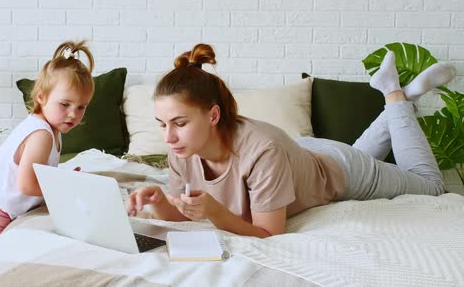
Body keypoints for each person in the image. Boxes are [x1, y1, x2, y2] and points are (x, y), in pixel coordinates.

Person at [125, 44, 457, 239]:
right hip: (299, 157)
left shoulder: (261, 150)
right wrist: (158, 201)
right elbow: (183, 213)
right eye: (162, 124)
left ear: (213, 116)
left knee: (432, 186)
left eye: (179, 123)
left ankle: (396, 96)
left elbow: (270, 233)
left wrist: (214, 212)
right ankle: (400, 98)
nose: (168, 137)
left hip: (341, 169)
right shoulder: (182, 149)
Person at [0, 40, 95, 268]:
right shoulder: (41, 134)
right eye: (65, 104)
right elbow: (26, 184)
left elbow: (38, 172)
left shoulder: (53, 129)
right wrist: (64, 186)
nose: (73, 114)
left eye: (81, 107)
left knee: (5, 271)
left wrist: (64, 178)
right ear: (41, 97)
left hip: (3, 213)